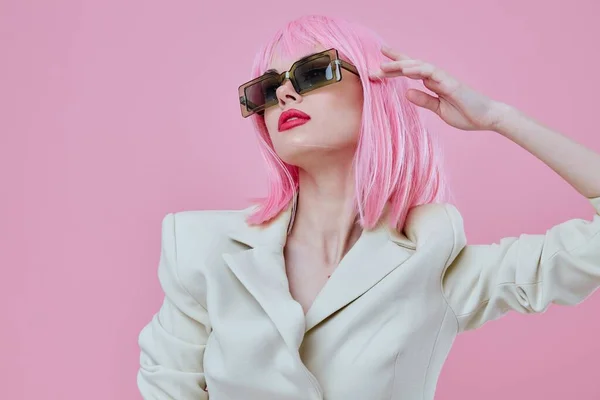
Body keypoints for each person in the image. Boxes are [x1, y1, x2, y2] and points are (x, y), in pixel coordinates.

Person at [136, 14, 600, 400]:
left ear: (378, 91)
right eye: (266, 88)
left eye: (314, 72)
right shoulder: (201, 250)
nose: (284, 95)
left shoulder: (434, 259)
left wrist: (499, 118)